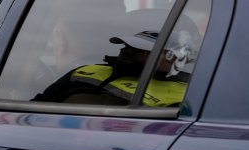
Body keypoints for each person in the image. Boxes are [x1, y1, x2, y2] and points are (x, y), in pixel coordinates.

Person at [36, 27, 198, 107]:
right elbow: (37, 105)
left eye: (140, 50)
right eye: (127, 45)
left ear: (172, 59)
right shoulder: (85, 72)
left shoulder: (188, 95)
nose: (126, 51)